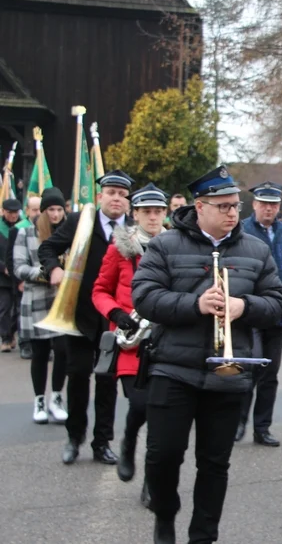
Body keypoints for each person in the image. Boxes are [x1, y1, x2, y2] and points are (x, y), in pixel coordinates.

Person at [131, 165, 282, 544]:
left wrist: (243, 306)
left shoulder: (256, 249)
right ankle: (164, 515)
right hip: (173, 368)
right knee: (163, 455)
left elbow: (277, 303)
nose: (234, 213)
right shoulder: (165, 245)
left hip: (227, 374)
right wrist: (194, 304)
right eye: (224, 206)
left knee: (215, 464)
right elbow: (144, 297)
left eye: (236, 206)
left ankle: (204, 536)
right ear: (200, 207)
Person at [40, 170, 135, 465]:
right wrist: (53, 269)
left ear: (128, 201)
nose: (116, 198)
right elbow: (48, 248)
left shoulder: (133, 229)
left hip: (113, 319)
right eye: (111, 193)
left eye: (122, 194)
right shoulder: (80, 221)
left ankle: (102, 442)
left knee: (107, 382)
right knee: (78, 376)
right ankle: (74, 437)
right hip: (79, 316)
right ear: (100, 196)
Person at [92, 183, 169, 508]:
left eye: (158, 211)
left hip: (165, 343)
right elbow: (99, 290)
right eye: (146, 212)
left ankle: (151, 483)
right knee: (140, 404)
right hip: (130, 344)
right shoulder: (119, 248)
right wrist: (116, 313)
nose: (152, 217)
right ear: (134, 214)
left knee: (161, 416)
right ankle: (127, 443)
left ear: (165, 213)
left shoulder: (174, 247)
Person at [237, 181, 282, 446]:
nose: (268, 209)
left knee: (270, 373)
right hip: (250, 310)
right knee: (249, 368)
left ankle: (262, 427)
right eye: (264, 204)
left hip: (280, 312)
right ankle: (239, 422)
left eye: (273, 204)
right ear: (254, 205)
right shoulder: (242, 230)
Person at [13, 188, 68, 423]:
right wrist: (46, 272)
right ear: (43, 211)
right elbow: (19, 267)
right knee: (40, 353)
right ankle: (39, 400)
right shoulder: (26, 233)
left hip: (63, 300)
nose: (55, 214)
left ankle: (56, 397)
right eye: (51, 210)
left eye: (59, 209)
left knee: (63, 351)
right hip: (36, 300)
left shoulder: (68, 233)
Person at [7, 195, 41, 359]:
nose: (37, 213)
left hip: (42, 281)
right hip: (24, 279)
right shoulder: (18, 229)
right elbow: (11, 258)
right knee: (23, 312)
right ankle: (25, 343)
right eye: (34, 209)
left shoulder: (48, 227)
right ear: (27, 210)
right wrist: (18, 280)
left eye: (40, 209)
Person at [0, 198, 22, 352]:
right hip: (3, 277)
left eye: (16, 212)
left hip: (20, 274)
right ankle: (6, 338)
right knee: (5, 308)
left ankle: (12, 332)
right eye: (10, 213)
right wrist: (3, 268)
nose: (13, 215)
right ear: (3, 212)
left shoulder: (24, 227)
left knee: (19, 309)